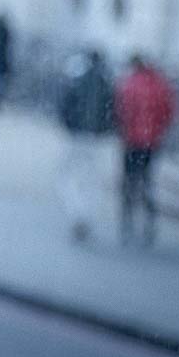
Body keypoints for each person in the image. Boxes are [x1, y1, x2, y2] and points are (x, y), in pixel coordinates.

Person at [114, 53, 178, 246]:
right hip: (151, 143)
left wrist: (124, 129)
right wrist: (157, 131)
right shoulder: (161, 85)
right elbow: (170, 111)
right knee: (147, 181)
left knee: (128, 181)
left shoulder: (129, 83)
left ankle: (127, 224)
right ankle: (149, 224)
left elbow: (121, 110)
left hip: (131, 141)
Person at [55, 48, 116, 242]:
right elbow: (112, 112)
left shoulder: (79, 79)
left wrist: (70, 125)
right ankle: (85, 216)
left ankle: (77, 214)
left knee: (67, 176)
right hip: (94, 139)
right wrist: (102, 130)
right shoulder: (106, 84)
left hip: (77, 136)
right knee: (91, 179)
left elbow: (66, 104)